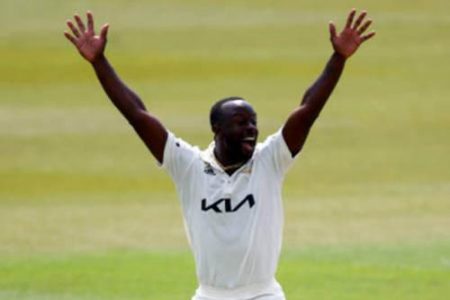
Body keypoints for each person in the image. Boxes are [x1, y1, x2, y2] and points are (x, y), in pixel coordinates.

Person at [64, 8, 375, 300]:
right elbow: (137, 115)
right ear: (217, 128)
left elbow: (307, 111)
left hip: (263, 294)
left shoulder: (271, 160)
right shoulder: (188, 166)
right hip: (210, 295)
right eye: (241, 124)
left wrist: (338, 58)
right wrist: (99, 62)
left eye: (253, 122)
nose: (251, 129)